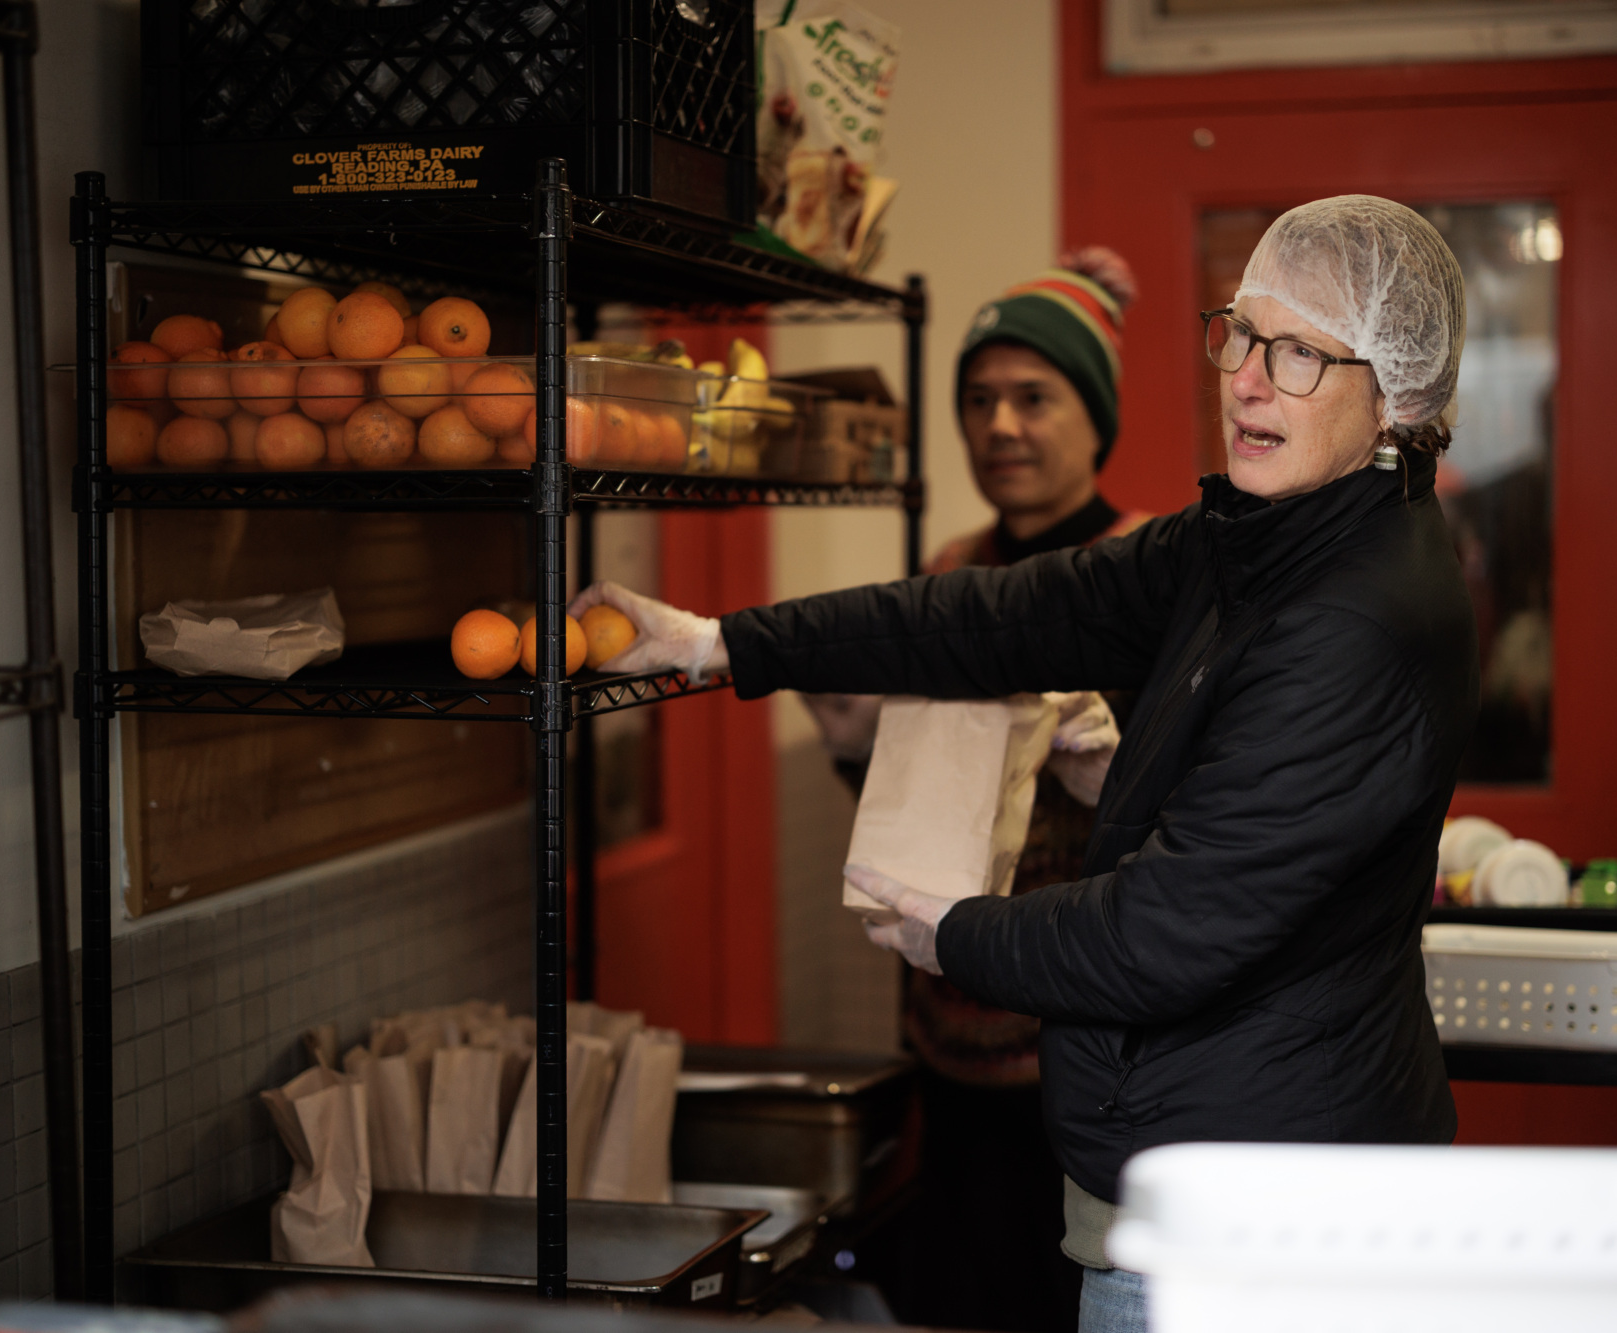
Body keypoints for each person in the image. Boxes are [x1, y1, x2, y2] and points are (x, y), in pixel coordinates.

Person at [573, 195, 1479, 1333]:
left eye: (1298, 354)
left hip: (1257, 1233)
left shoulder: (1353, 619)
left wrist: (947, 932)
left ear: (1393, 396)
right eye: (1239, 334)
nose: (1246, 379)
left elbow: (1166, 934)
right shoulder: (1253, 545)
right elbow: (1000, 614)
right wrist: (727, 643)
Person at [801, 250, 1151, 1332]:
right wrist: (853, 737)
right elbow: (907, 789)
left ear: (1095, 418)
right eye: (977, 399)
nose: (999, 425)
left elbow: (1183, 810)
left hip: (1096, 1052)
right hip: (950, 1032)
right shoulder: (950, 571)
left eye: (1033, 397)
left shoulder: (1149, 573)